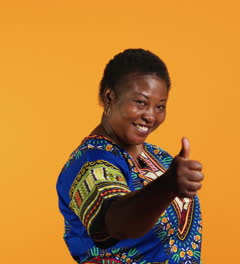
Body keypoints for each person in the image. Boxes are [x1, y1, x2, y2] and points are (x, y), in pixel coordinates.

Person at [57, 49, 204, 264]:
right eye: (140, 102)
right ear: (110, 97)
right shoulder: (92, 162)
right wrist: (168, 185)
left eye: (160, 106)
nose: (151, 116)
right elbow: (115, 224)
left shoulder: (159, 158)